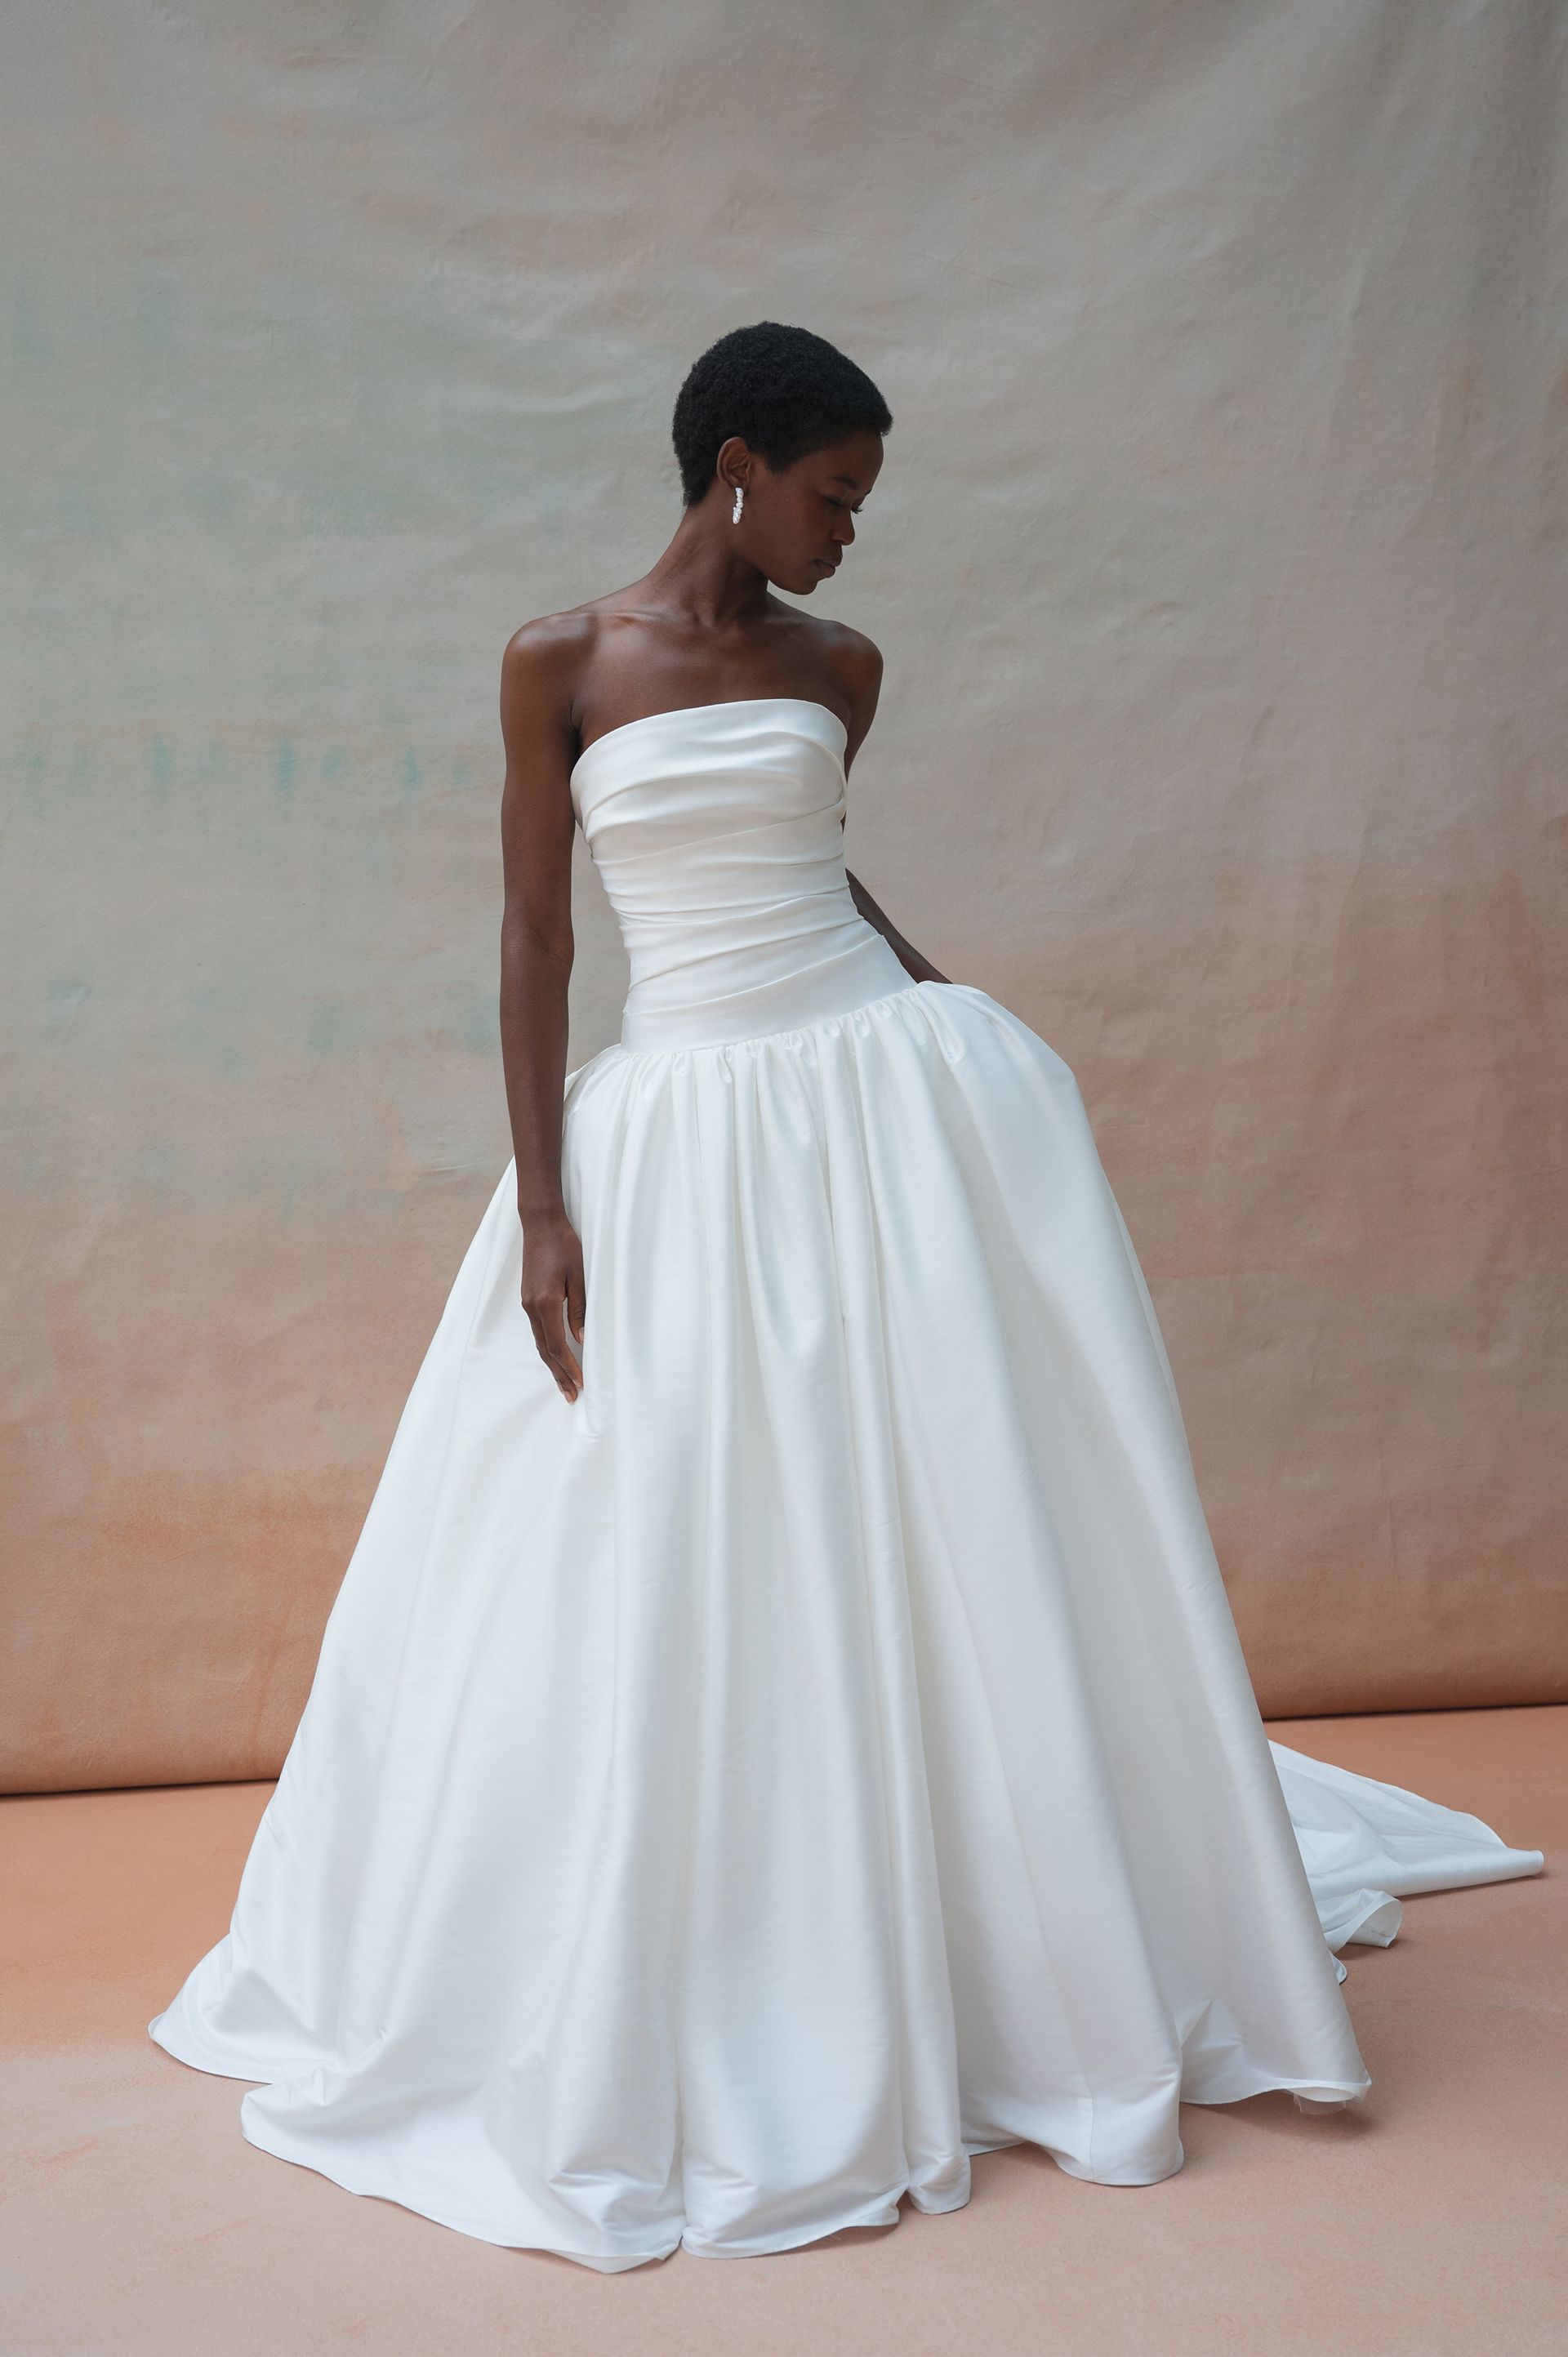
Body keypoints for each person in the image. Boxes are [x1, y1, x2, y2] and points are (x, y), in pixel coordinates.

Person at [149, 322, 1542, 2272]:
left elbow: (823, 876)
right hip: (678, 1122)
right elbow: (540, 934)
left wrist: (953, 1018)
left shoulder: (840, 667)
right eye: (833, 495)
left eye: (862, 506)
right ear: (736, 467)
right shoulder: (561, 659)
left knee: (926, 1496)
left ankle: (980, 1915)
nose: (849, 534)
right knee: (670, 1520)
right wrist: (543, 1203)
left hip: (868, 1104)